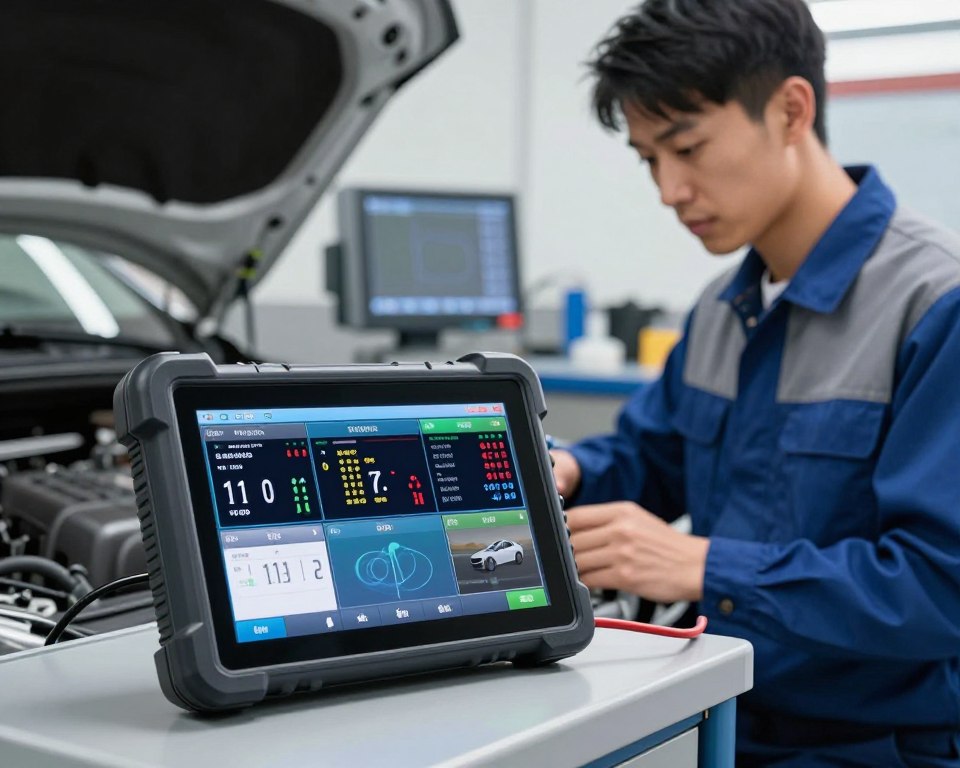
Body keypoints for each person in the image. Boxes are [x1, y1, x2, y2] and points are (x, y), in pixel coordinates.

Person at [551, 1, 960, 765]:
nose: (669, 190)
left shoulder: (936, 306)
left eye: (687, 148)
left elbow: (942, 586)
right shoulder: (721, 308)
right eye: (649, 160)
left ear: (791, 111)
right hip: (722, 718)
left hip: (874, 748)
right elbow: (654, 455)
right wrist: (570, 469)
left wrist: (705, 567)